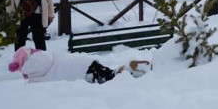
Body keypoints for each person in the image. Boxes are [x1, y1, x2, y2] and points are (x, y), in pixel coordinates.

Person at [8, 46, 150, 84]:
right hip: (82, 62)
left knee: (107, 80)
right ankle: (127, 71)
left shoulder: (35, 78)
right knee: (107, 74)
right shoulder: (47, 57)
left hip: (81, 74)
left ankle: (129, 74)